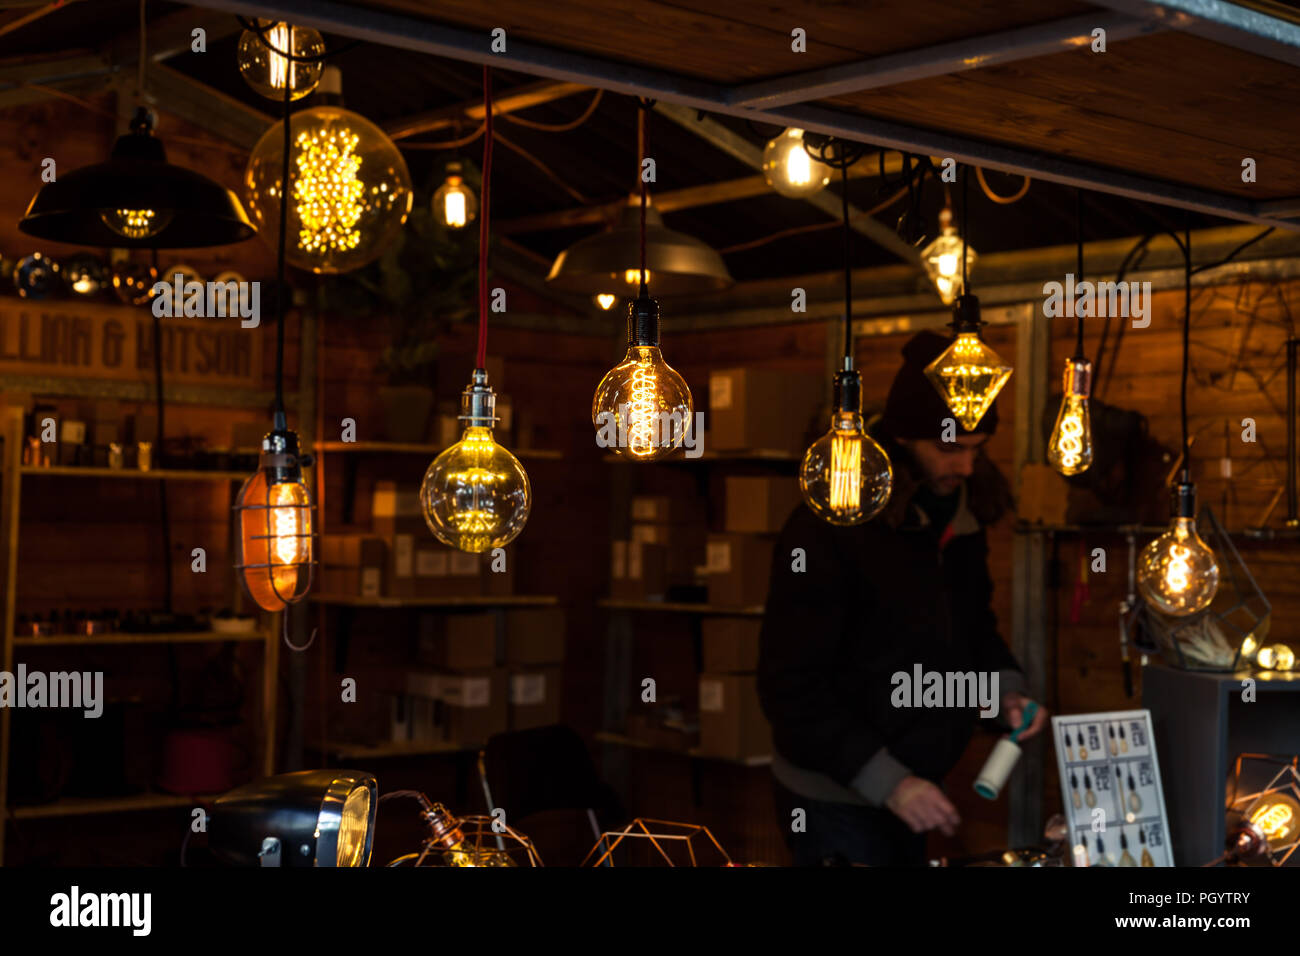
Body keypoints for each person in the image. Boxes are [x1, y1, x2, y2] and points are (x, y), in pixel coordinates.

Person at [758, 329, 1048, 866]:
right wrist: (889, 783)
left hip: (913, 790)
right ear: (904, 438)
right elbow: (790, 688)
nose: (964, 467)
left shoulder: (960, 520)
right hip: (833, 801)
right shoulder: (831, 524)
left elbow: (970, 630)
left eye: (976, 451)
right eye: (948, 449)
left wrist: (1003, 693)